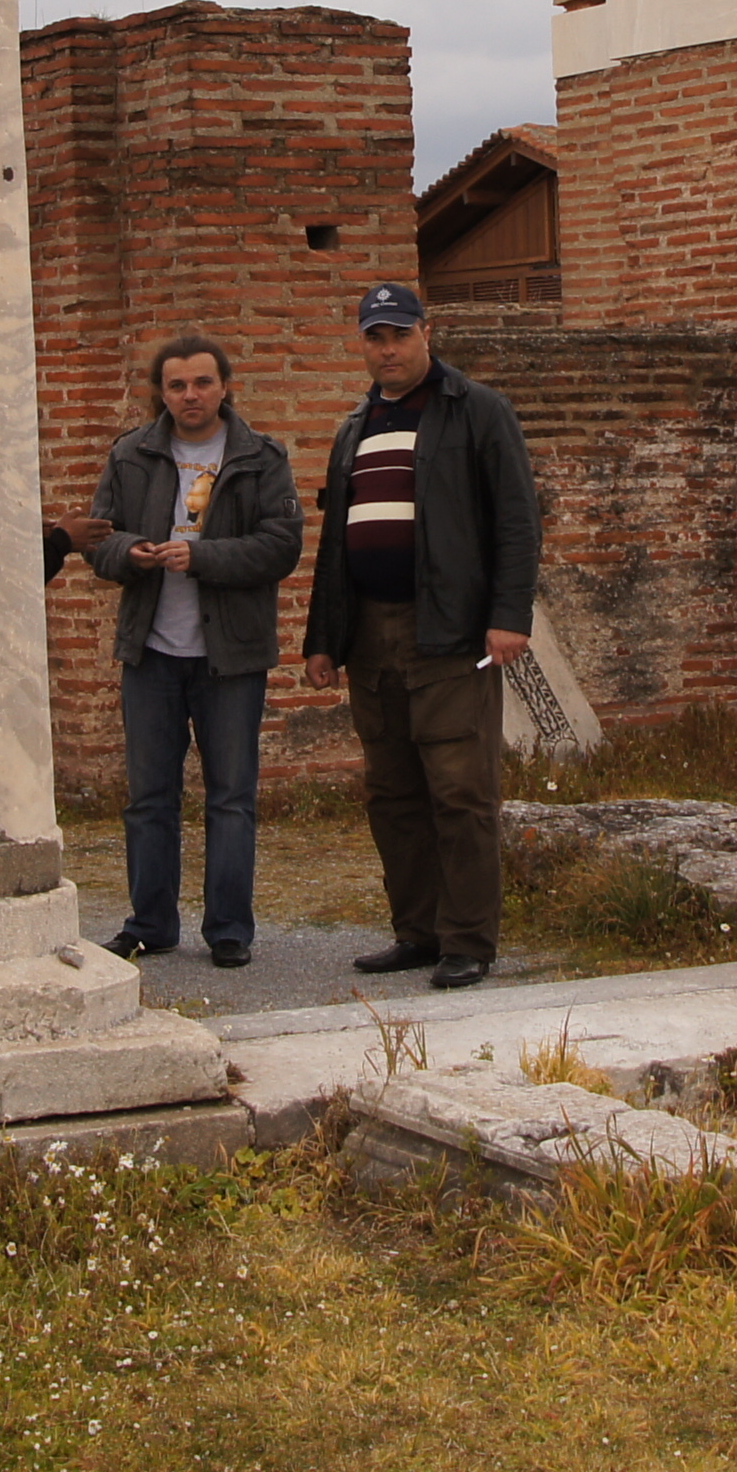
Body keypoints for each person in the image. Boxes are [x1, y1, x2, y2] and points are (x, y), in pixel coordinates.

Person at [300, 284, 540, 990]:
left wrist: (510, 615)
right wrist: (324, 638)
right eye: (375, 337)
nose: (389, 350)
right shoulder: (356, 425)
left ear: (426, 334)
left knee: (461, 790)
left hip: (449, 629)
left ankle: (468, 939)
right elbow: (336, 542)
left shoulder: (478, 410)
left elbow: (518, 519)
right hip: (371, 635)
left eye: (400, 335)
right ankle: (417, 931)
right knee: (392, 792)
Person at [75, 331, 301, 971]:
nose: (190, 395)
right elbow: (97, 540)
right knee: (149, 798)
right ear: (161, 393)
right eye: (176, 385)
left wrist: (202, 557)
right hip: (151, 651)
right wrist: (131, 552)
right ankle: (150, 924)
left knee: (231, 797)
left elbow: (281, 545)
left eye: (202, 382)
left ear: (224, 387)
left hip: (231, 655)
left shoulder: (259, 456)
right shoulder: (131, 454)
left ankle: (229, 929)